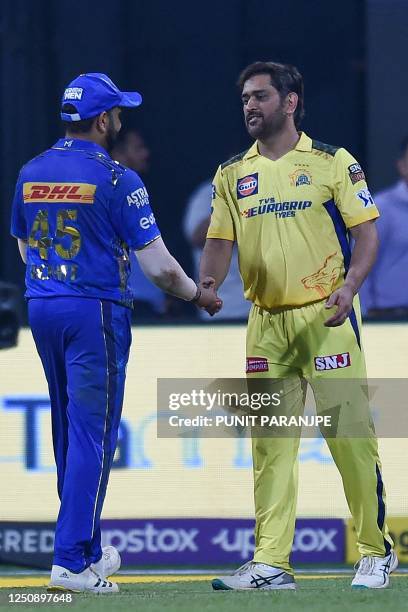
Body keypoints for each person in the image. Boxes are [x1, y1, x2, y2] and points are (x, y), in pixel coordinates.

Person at [10, 72, 220, 594]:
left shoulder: (31, 170)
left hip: (42, 307)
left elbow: (24, 248)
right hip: (94, 314)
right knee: (93, 435)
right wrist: (199, 296)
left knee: (69, 430)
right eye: (119, 113)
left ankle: (82, 549)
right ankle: (70, 562)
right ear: (103, 120)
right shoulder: (117, 178)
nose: (122, 120)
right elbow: (162, 271)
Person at [200, 61, 396, 590]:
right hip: (264, 323)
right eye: (245, 98)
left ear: (290, 102)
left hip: (326, 316)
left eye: (260, 96)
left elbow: (367, 233)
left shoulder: (333, 162)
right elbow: (220, 240)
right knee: (270, 444)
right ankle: (272, 562)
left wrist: (350, 287)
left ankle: (375, 550)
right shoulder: (231, 173)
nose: (249, 106)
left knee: (349, 435)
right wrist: (210, 283)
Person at [111, 129, 166, 320]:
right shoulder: (110, 194)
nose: (146, 154)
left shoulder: (141, 191)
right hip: (124, 304)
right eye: (138, 148)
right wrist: (193, 294)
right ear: (117, 154)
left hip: (150, 305)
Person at [183, 179, 250, 320]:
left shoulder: (270, 188)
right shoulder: (208, 192)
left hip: (264, 305)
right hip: (223, 307)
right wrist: (231, 202)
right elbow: (196, 236)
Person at [360, 136, 408, 319]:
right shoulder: (380, 208)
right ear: (402, 165)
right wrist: (365, 314)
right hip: (388, 316)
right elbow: (360, 261)